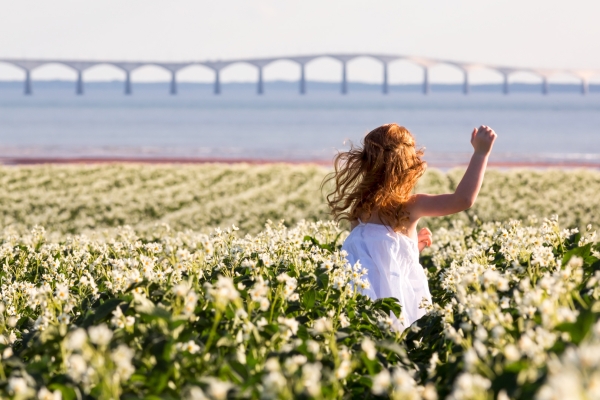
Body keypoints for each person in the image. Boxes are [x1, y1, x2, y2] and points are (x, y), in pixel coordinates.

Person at [324, 123, 497, 330]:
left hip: (362, 305)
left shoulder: (360, 208)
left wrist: (411, 249)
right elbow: (463, 200)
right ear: (407, 166)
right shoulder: (409, 205)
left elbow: (373, 257)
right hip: (399, 305)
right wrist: (481, 153)